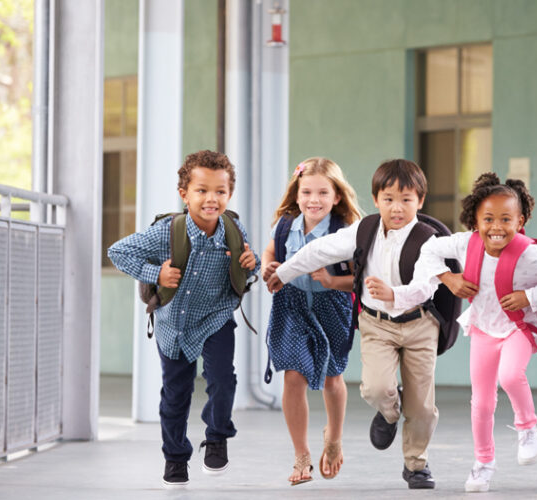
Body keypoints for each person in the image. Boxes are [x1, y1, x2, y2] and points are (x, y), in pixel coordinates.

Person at [387, 173, 537, 493]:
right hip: (483, 329)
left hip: (519, 326)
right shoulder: (465, 243)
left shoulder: (530, 253)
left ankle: (527, 427)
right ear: (474, 219)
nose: (496, 227)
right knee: (481, 402)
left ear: (521, 220)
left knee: (511, 375)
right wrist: (449, 279)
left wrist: (528, 298)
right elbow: (429, 249)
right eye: (488, 219)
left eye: (506, 219)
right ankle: (483, 463)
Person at [265, 159, 444, 490]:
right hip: (373, 323)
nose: (397, 207)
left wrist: (394, 293)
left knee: (421, 406)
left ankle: (416, 464)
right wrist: (282, 273)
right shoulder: (363, 231)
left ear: (420, 200)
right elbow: (317, 250)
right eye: (388, 198)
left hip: (416, 324)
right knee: (374, 388)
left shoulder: (429, 239)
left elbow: (429, 285)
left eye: (407, 199)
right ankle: (386, 413)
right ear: (376, 199)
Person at [108, 150, 258, 489]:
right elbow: (117, 251)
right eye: (202, 190)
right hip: (173, 324)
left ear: (229, 193)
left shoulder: (233, 229)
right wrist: (155, 273)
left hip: (216, 316)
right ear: (184, 194)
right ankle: (175, 458)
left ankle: (217, 435)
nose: (211, 198)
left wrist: (252, 263)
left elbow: (250, 268)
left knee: (223, 379)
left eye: (220, 191)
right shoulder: (166, 232)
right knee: (176, 394)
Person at [260, 157, 362, 485]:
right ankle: (301, 455)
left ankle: (333, 438)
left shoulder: (346, 231)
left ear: (337, 197)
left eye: (322, 193)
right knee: (293, 376)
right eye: (306, 192)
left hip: (331, 306)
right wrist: (267, 266)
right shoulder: (286, 224)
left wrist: (332, 282)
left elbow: (361, 279)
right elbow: (270, 251)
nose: (313, 200)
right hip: (291, 306)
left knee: (333, 379)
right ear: (297, 193)